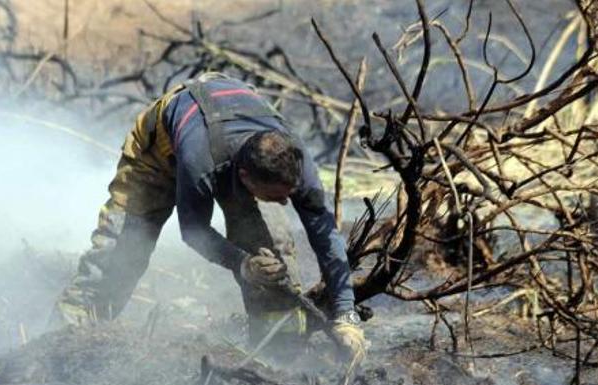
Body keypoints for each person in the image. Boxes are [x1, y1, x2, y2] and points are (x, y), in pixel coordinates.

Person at [56, 72, 366, 361]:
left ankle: (279, 356)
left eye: (289, 192)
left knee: (273, 255)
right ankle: (66, 340)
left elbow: (325, 236)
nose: (286, 202)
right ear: (245, 179)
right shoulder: (198, 160)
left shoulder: (292, 160)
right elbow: (193, 230)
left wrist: (346, 314)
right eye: (275, 197)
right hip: (160, 155)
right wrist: (242, 264)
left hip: (232, 137)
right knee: (121, 252)